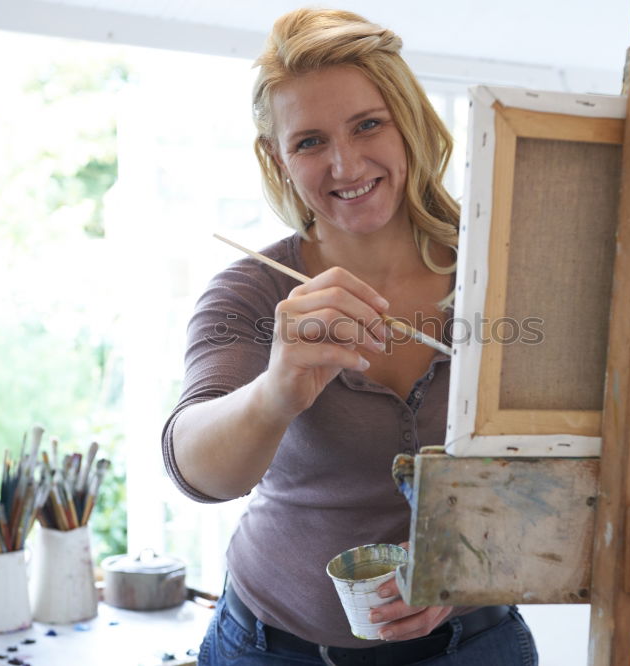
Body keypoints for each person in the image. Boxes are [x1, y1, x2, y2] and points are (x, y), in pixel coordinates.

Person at [161, 8, 539, 665]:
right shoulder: (251, 292)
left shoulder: (505, 273)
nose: (346, 163)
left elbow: (565, 467)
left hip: (474, 645)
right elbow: (195, 470)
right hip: (271, 647)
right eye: (309, 142)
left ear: (410, 122)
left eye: (368, 124)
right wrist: (275, 391)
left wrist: (466, 561)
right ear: (277, 159)